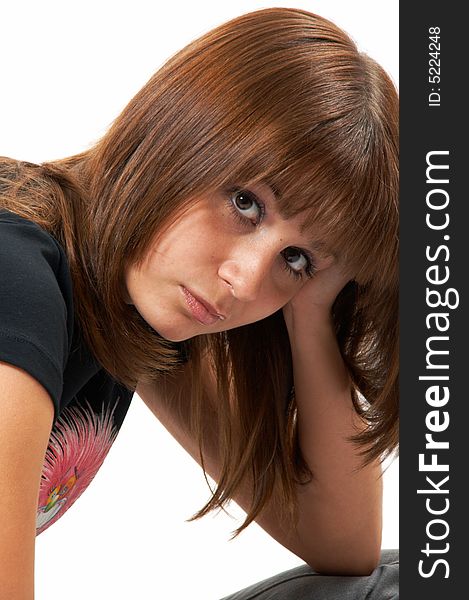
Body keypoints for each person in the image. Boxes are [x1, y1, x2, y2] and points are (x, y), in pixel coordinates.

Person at [0, 7, 398, 598]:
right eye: (245, 202)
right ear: (181, 130)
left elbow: (343, 545)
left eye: (294, 258)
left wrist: (313, 308)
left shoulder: (129, 307)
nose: (243, 279)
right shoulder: (18, 284)